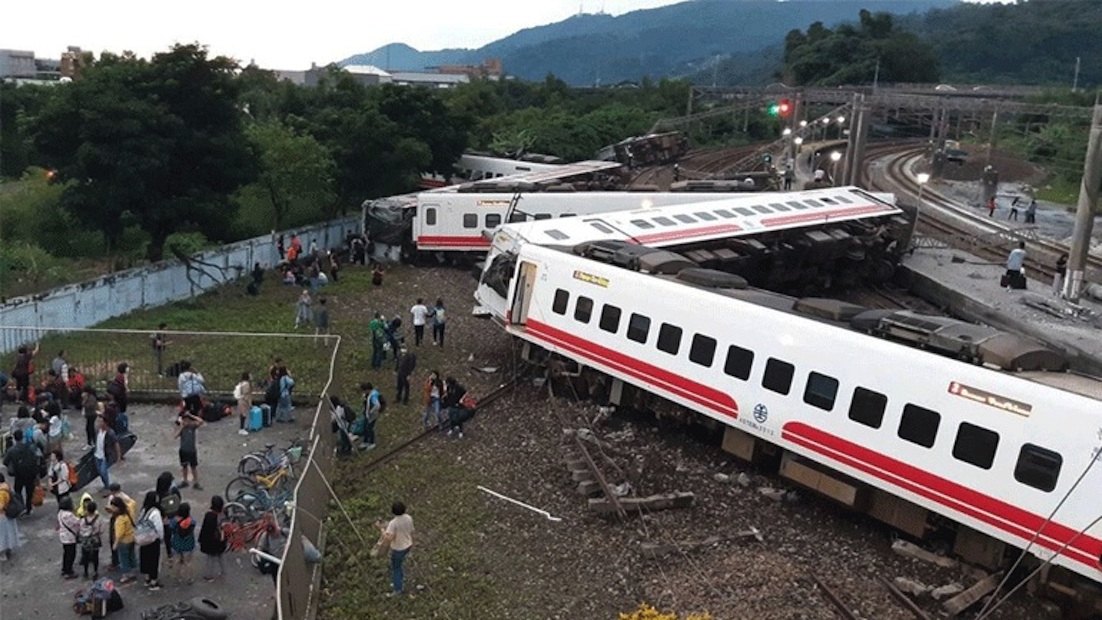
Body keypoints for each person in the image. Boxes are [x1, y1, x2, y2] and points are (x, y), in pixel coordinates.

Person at [373, 501, 414, 595]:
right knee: (399, 565)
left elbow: (389, 538)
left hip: (399, 548)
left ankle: (398, 589)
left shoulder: (393, 523)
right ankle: (400, 580)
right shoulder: (408, 518)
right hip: (408, 544)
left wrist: (381, 529)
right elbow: (411, 530)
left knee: (395, 568)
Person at [3, 430, 37, 516]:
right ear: (22, 437)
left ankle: (21, 507)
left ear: (14, 438)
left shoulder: (12, 450)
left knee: (18, 491)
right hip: (30, 473)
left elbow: (5, 462)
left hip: (18, 474)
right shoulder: (30, 447)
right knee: (29, 491)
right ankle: (29, 507)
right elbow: (35, 458)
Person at [138, 491, 164, 590]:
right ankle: (153, 582)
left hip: (143, 538)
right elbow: (159, 527)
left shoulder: (143, 510)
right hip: (153, 540)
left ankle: (147, 579)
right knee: (154, 560)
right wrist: (161, 538)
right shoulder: (155, 512)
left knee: (145, 558)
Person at [198, 495, 227, 581]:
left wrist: (201, 540)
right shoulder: (224, 515)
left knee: (210, 557)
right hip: (221, 540)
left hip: (211, 542)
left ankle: (209, 575)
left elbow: (205, 529)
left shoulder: (209, 516)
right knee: (221, 556)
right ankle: (224, 573)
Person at [110, 496, 137, 584]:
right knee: (131, 555)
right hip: (132, 538)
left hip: (123, 541)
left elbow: (119, 534)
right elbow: (132, 501)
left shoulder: (120, 519)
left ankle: (126, 575)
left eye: (113, 507)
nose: (112, 509)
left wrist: (115, 544)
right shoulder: (129, 511)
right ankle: (133, 571)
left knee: (123, 558)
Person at [168, 502, 196, 583]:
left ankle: (177, 577)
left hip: (177, 543)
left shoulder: (174, 521)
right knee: (188, 562)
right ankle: (189, 578)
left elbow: (171, 528)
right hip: (188, 544)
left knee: (177, 562)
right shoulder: (192, 521)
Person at [175, 412, 204, 490]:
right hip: (183, 450)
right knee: (184, 466)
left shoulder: (192, 427)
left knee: (193, 467)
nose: (186, 422)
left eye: (188, 420)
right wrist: (181, 427)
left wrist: (192, 416)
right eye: (185, 420)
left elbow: (201, 421)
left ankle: (196, 482)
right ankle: (185, 481)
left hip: (192, 450)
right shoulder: (182, 429)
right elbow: (175, 436)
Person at [93, 416, 122, 492]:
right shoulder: (97, 431)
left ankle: (107, 487)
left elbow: (116, 444)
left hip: (105, 456)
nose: (99, 423)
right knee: (100, 472)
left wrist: (118, 456)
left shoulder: (110, 433)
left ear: (105, 423)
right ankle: (106, 485)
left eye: (101, 422)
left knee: (103, 471)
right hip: (97, 455)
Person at [79, 499, 106, 579]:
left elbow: (80, 529)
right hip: (95, 539)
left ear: (87, 509)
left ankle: (86, 572)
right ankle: (95, 571)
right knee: (95, 556)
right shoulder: (99, 518)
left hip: (86, 540)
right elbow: (102, 530)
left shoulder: (83, 519)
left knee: (85, 556)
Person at [57, 495, 80, 578]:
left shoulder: (60, 513)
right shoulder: (69, 515)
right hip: (70, 537)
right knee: (71, 554)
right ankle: (69, 571)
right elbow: (77, 522)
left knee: (66, 553)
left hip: (63, 536)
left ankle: (64, 569)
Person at [0, 474, 22, 560]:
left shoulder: (1, 492)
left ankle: (2, 554)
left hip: (1, 516)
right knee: (8, 534)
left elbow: (0, 506)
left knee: (2, 536)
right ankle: (8, 549)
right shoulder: (6, 488)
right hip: (7, 516)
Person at [359, 382, 381, 451]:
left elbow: (377, 405)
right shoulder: (368, 395)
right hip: (367, 414)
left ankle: (372, 442)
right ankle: (366, 441)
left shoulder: (373, 395)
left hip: (372, 416)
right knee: (365, 427)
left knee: (370, 428)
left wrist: (371, 411)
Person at [234, 372, 252, 437]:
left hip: (240, 400)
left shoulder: (241, 383)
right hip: (243, 401)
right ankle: (242, 429)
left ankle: (242, 428)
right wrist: (250, 403)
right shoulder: (247, 384)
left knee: (242, 414)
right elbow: (246, 394)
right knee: (243, 415)